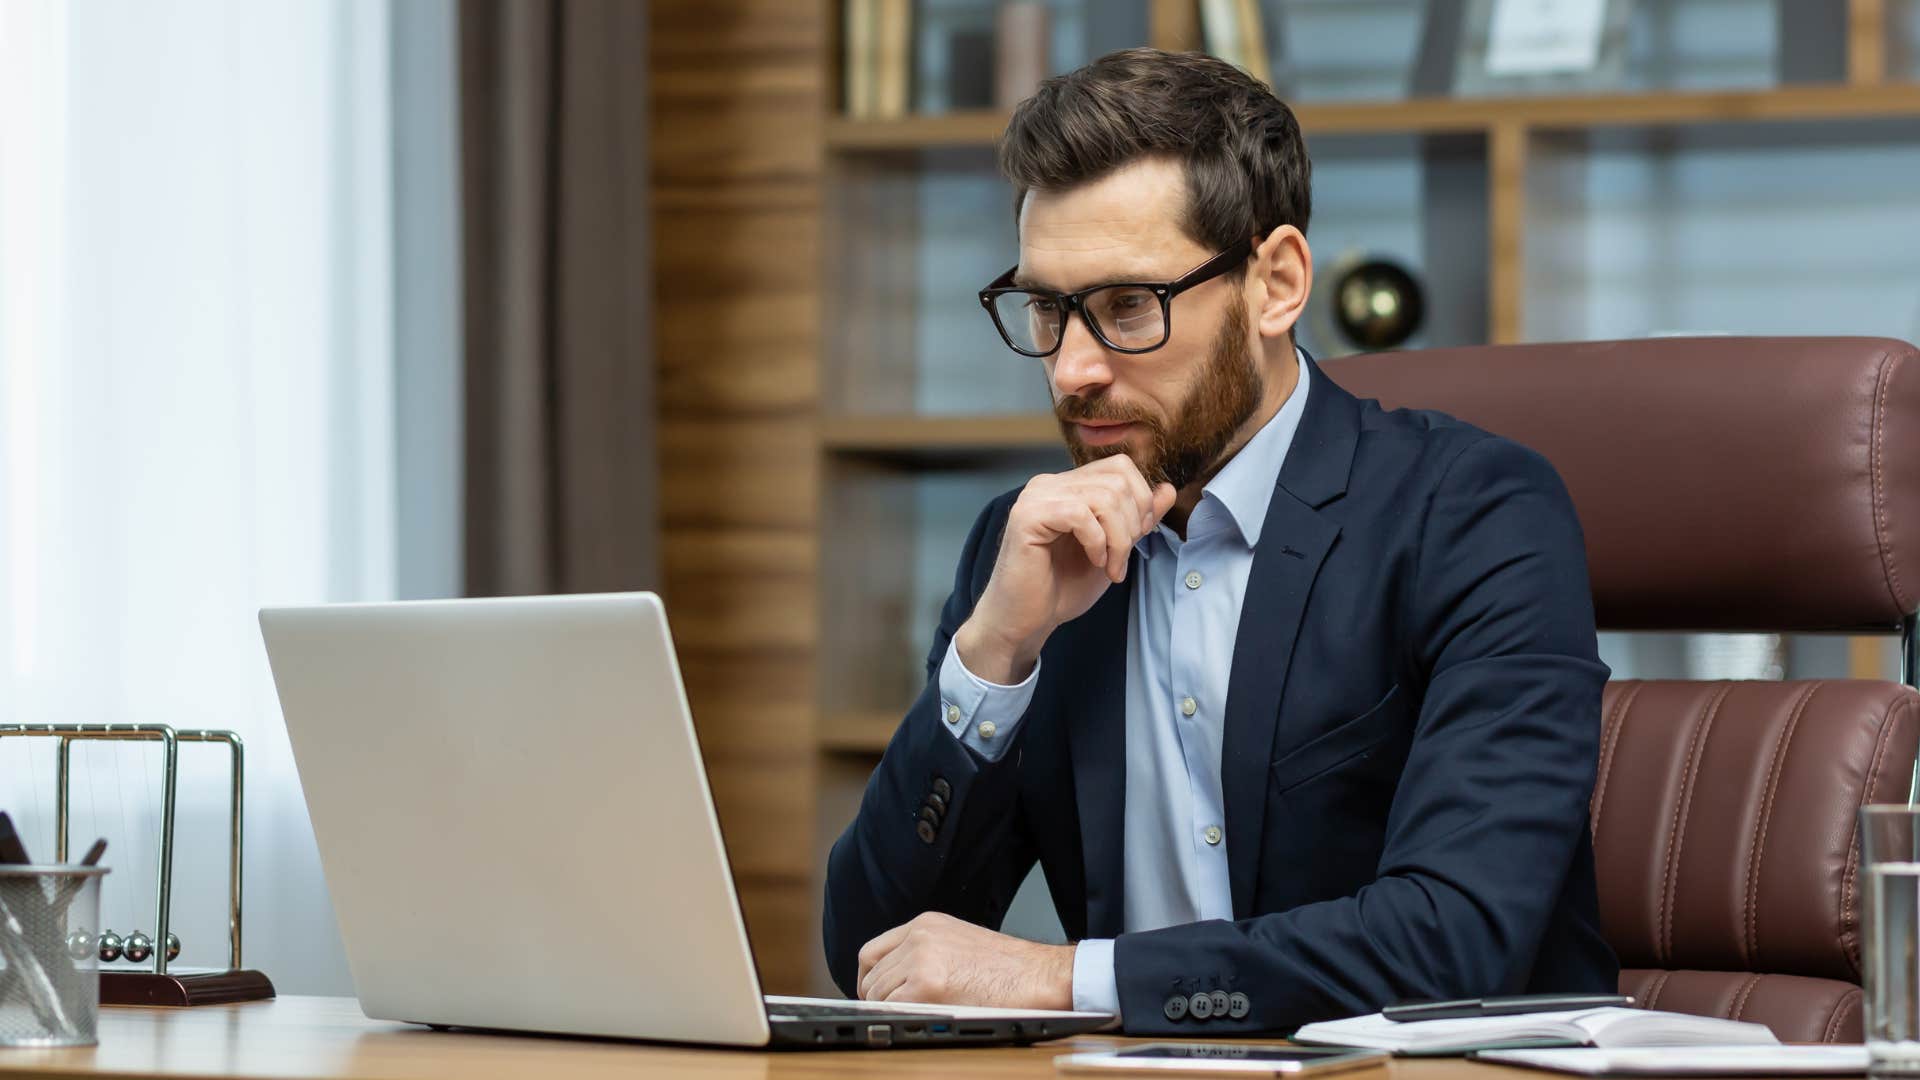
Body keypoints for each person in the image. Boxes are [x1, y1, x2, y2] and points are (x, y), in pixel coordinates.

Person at [822, 47, 1617, 1034]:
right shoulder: (1029, 547)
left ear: (1275, 283)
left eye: (1125, 308)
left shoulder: (1473, 512)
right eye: (1045, 308)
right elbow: (877, 954)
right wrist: (992, 660)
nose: (1072, 369)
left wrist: (1067, 980)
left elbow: (1457, 935)